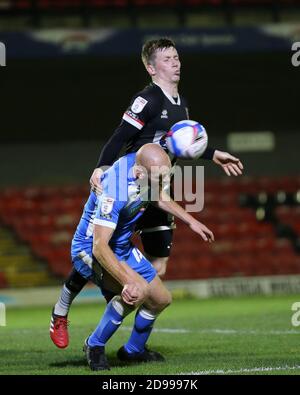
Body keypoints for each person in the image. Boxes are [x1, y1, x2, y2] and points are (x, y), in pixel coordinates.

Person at [50, 37, 243, 349]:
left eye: (177, 57)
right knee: (99, 250)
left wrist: (214, 153)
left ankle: (133, 344)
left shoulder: (181, 103)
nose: (176, 62)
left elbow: (181, 144)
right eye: (167, 59)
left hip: (157, 192)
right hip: (132, 186)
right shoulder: (148, 99)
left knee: (159, 269)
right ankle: (63, 311)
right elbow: (120, 135)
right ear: (152, 68)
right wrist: (102, 166)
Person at [59, 143, 214, 370]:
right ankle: (94, 345)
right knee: (137, 291)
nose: (164, 183)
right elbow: (99, 246)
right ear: (140, 173)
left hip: (120, 245)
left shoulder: (144, 167)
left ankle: (133, 351)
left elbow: (157, 195)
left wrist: (191, 220)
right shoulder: (114, 191)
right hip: (89, 249)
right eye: (159, 178)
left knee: (161, 299)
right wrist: (126, 281)